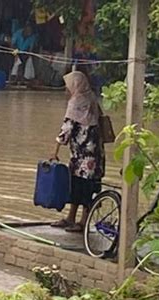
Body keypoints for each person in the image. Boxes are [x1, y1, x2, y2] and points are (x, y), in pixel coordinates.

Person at [50, 71, 105, 232]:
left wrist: (55, 151)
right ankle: (73, 218)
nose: (66, 90)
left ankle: (81, 222)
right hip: (91, 154)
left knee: (82, 187)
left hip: (85, 156)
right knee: (82, 186)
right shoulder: (92, 98)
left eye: (67, 86)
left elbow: (66, 129)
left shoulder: (76, 101)